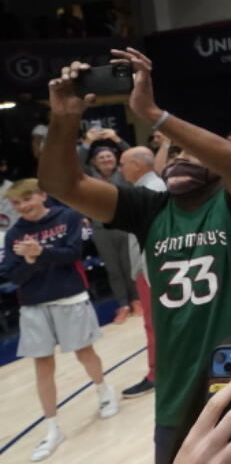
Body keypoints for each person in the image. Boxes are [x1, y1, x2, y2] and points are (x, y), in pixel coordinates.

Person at [38, 49, 231, 464]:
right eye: (173, 151)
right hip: (177, 398)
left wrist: (152, 112)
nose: (180, 157)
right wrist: (64, 117)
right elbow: (61, 184)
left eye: (193, 151)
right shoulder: (149, 211)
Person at [2, 179, 120, 461]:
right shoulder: (14, 233)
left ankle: (104, 391)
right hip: (32, 305)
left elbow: (73, 254)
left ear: (42, 195)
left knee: (84, 352)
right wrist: (30, 262)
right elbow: (12, 275)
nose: (23, 206)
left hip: (69, 297)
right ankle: (52, 427)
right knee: (42, 366)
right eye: (17, 203)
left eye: (27, 198)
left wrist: (40, 253)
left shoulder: (66, 216)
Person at [118, 146, 167, 400]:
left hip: (152, 269)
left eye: (123, 163)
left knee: (154, 324)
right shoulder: (153, 187)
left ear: (137, 164)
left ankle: (156, 375)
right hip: (152, 267)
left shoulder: (149, 190)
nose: (120, 168)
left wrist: (142, 269)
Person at [86, 142, 141, 325]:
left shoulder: (124, 173)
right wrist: (86, 144)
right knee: (113, 270)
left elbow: (136, 154)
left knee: (130, 266)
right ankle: (123, 305)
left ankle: (136, 300)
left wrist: (116, 138)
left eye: (109, 156)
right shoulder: (89, 176)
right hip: (101, 228)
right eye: (101, 158)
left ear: (116, 158)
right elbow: (76, 162)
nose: (106, 159)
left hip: (125, 226)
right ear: (94, 162)